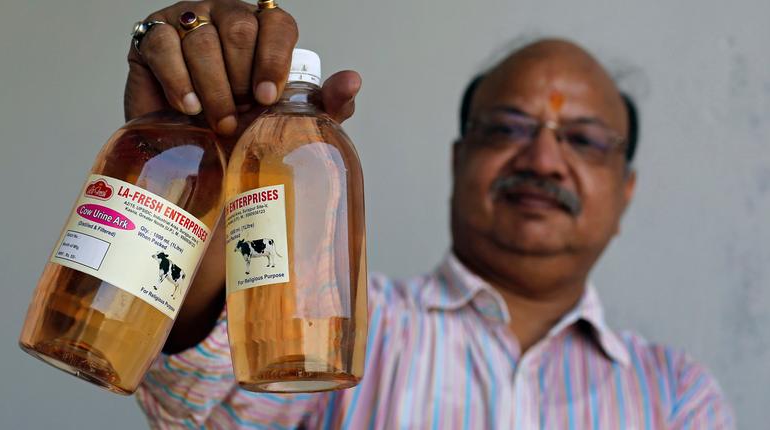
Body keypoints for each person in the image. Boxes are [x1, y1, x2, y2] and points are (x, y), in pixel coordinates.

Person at [128, 1, 734, 428]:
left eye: (584, 139)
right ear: (458, 161)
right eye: (508, 128)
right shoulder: (339, 327)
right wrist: (208, 170)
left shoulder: (677, 397)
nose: (544, 159)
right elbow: (192, 411)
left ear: (625, 192)